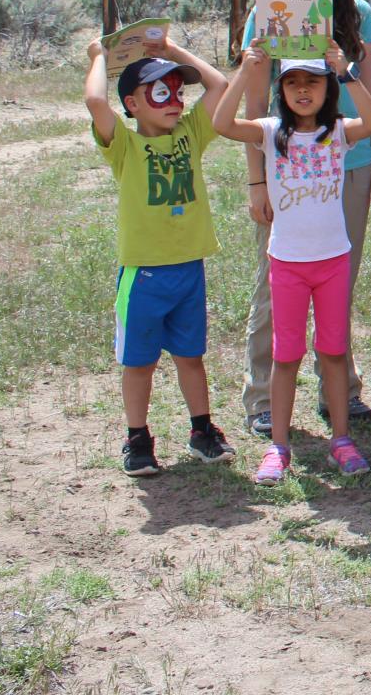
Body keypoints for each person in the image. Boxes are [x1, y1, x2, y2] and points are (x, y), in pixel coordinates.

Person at [239, 0, 371, 437]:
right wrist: (256, 180)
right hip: (284, 168)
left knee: (336, 282)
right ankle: (261, 399)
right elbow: (254, 103)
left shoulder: (359, 13)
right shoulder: (267, 12)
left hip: (351, 164)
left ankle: (338, 391)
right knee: (273, 282)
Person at [216, 41, 371, 483]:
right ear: (280, 89)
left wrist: (346, 71)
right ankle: (279, 446)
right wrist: (246, 71)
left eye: (313, 81)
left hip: (332, 261)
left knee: (333, 349)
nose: (303, 90)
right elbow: (221, 123)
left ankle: (341, 441)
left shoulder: (339, 132)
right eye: (292, 82)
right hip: (287, 263)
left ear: (328, 89)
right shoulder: (271, 131)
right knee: (285, 355)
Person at [85, 36, 234, 477]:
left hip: (189, 268)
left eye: (177, 90)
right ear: (132, 103)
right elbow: (96, 101)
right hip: (144, 274)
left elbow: (219, 83)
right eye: (161, 92)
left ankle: (202, 430)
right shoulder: (125, 147)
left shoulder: (190, 133)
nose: (175, 100)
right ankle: (137, 438)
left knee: (191, 356)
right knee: (140, 361)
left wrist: (170, 50)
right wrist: (99, 57)